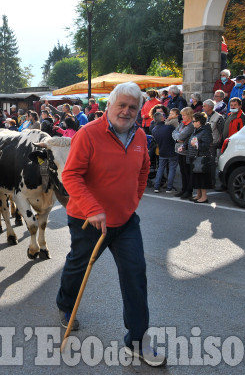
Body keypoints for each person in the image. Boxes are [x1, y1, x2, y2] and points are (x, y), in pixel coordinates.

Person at [56, 82, 165, 366]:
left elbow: (143, 172)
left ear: (139, 110)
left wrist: (132, 202)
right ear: (109, 106)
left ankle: (137, 340)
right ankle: (66, 305)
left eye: (132, 107)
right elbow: (71, 176)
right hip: (87, 220)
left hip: (126, 221)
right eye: (122, 106)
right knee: (78, 266)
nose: (126, 112)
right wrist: (93, 208)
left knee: (135, 274)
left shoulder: (141, 135)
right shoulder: (88, 134)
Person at [187, 112, 213, 203]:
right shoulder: (197, 130)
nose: (193, 123)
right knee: (197, 177)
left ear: (199, 122)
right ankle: (198, 195)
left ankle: (204, 196)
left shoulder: (205, 131)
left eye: (194, 121)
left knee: (202, 177)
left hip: (202, 157)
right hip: (195, 156)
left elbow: (206, 145)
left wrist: (196, 145)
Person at [151, 112, 178, 194]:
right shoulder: (169, 127)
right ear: (162, 118)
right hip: (171, 150)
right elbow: (176, 135)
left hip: (161, 150)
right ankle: (169, 188)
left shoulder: (154, 129)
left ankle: (156, 186)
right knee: (172, 169)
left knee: (160, 169)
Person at [172, 107, 195, 200]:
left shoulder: (191, 125)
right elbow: (174, 132)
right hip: (179, 149)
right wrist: (178, 138)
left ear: (189, 115)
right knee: (182, 171)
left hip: (186, 151)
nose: (182, 117)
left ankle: (188, 190)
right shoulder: (182, 123)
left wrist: (178, 137)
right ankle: (184, 189)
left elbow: (181, 135)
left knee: (187, 172)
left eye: (184, 115)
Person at [203, 99, 225, 189]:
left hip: (213, 144)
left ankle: (212, 182)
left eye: (205, 106)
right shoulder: (203, 116)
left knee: (211, 164)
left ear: (210, 107)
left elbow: (221, 132)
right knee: (204, 163)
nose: (203, 107)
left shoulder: (218, 117)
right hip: (204, 143)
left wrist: (217, 143)